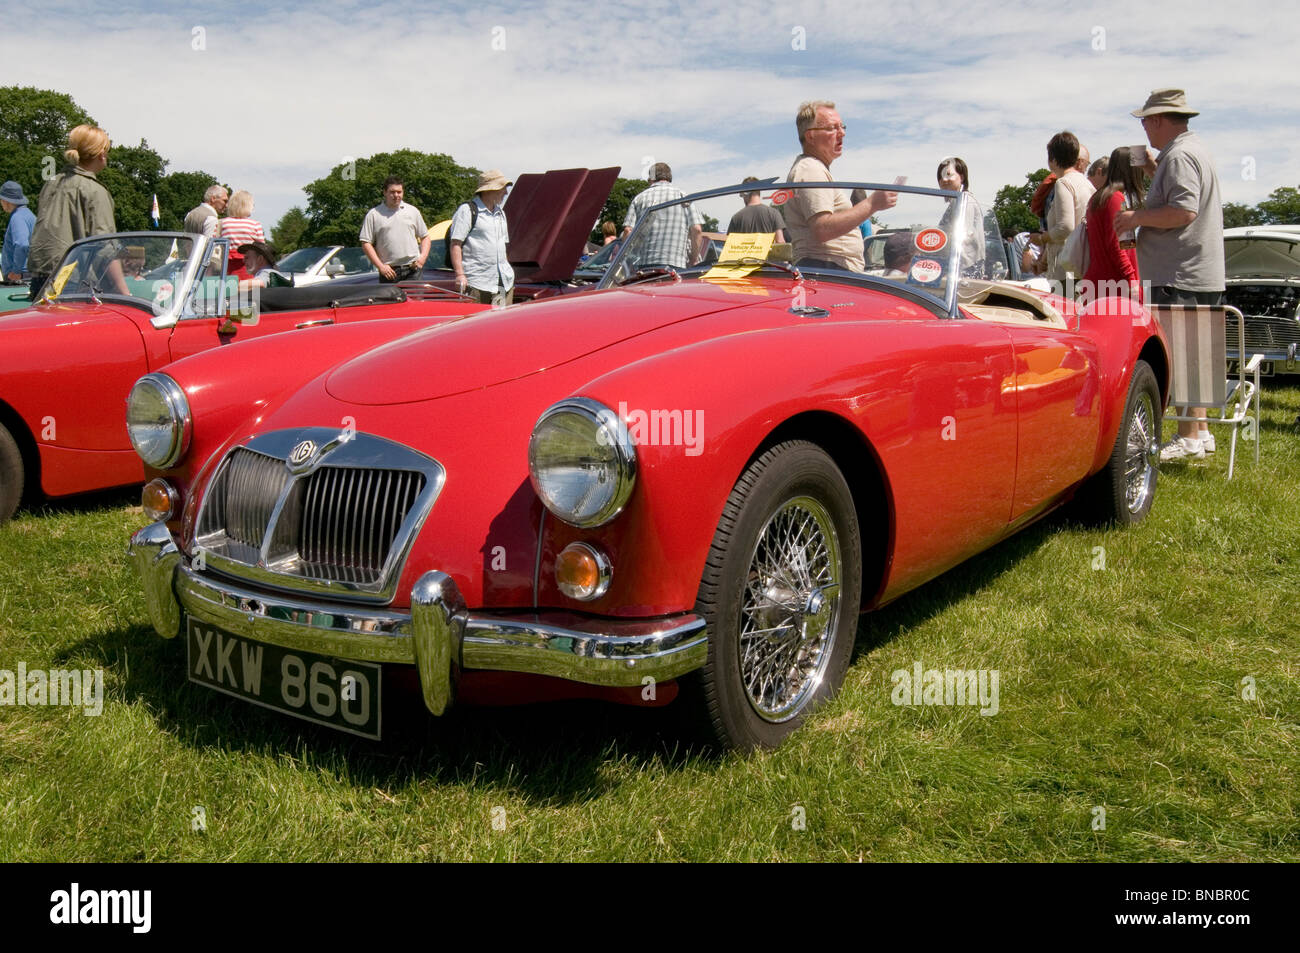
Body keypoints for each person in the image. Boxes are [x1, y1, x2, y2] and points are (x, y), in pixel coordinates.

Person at [1114, 89, 1225, 461]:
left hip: (1178, 273)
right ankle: (1201, 432)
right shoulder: (1191, 151)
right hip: (1198, 271)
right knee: (1197, 357)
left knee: (1179, 358)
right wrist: (1151, 170)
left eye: (1145, 120)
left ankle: (1186, 437)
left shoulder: (1178, 156)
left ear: (1158, 120)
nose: (1144, 127)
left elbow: (1183, 211)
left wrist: (1135, 217)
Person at [783, 100, 897, 271]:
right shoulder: (811, 170)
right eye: (832, 128)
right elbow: (822, 229)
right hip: (826, 270)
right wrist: (872, 203)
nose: (841, 133)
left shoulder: (813, 168)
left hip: (827, 270)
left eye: (842, 127)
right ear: (810, 136)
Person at [26, 125, 120, 300]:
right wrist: (125, 292)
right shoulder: (94, 190)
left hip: (41, 279)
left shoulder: (51, 184)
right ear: (101, 154)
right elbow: (106, 248)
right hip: (75, 283)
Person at [1080, 146, 1144, 305]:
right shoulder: (1115, 198)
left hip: (1104, 284)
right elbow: (1117, 244)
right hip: (1114, 286)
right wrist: (1131, 279)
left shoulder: (1101, 196)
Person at [621, 162, 705, 269]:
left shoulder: (639, 198)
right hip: (675, 264)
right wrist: (694, 259)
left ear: (651, 179)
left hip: (644, 265)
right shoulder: (683, 197)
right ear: (669, 178)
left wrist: (629, 258)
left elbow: (628, 231)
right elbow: (697, 230)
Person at [449, 169, 513, 306]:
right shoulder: (467, 210)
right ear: (490, 189)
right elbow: (455, 244)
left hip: (502, 282)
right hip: (476, 281)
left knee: (501, 323)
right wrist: (460, 275)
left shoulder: (501, 213)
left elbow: (503, 245)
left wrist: (508, 270)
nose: (506, 193)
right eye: (502, 188)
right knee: (475, 324)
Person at [1039, 131, 1095, 282]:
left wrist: (1042, 238)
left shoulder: (1063, 183)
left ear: (1053, 159)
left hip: (1066, 268)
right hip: (1084, 264)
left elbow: (1065, 227)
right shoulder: (1087, 184)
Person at [360, 176, 431, 283]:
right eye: (392, 192)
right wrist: (381, 266)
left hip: (413, 270)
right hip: (389, 272)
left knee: (415, 300)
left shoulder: (412, 211)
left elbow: (425, 237)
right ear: (384, 192)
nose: (396, 195)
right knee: (391, 301)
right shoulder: (374, 214)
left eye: (399, 192)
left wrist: (422, 258)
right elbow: (366, 243)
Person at [936, 156, 986, 273]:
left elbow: (963, 240)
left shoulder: (964, 202)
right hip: (959, 268)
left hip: (964, 271)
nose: (943, 179)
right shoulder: (956, 202)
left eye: (948, 174)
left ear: (962, 177)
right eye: (940, 176)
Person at [217, 191, 267, 278]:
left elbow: (215, 245)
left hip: (227, 268)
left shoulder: (222, 223)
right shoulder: (255, 224)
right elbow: (262, 248)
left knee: (230, 290)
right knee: (250, 291)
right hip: (250, 268)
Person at [727, 176, 786, 242]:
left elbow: (730, 245)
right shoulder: (774, 213)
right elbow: (780, 241)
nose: (743, 198)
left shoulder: (736, 218)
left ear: (745, 192)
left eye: (742, 195)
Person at [1, 180, 36, 284]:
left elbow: (22, 244)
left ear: (6, 201)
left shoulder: (17, 217)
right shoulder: (29, 214)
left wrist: (16, 271)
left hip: (20, 276)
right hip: (28, 273)